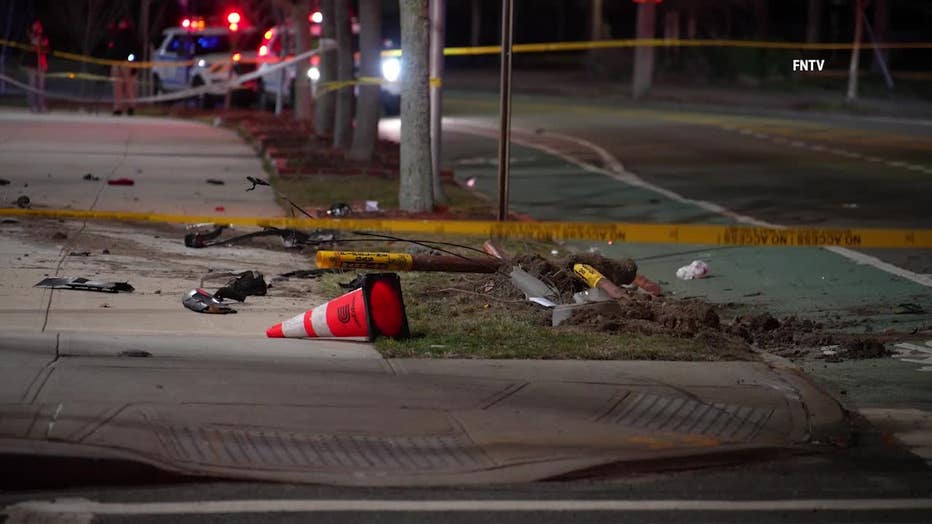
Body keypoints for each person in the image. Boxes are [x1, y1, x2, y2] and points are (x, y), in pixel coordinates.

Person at [107, 18, 140, 116]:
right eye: (120, 23)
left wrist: (132, 63)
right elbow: (112, 49)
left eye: (123, 23)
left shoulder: (131, 36)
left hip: (127, 63)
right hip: (117, 63)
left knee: (129, 86)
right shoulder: (115, 35)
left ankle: (131, 106)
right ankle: (118, 107)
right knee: (117, 87)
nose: (121, 25)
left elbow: (135, 50)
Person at [21, 19, 49, 113]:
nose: (37, 27)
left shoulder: (43, 37)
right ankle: (32, 106)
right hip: (31, 64)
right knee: (32, 86)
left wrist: (42, 44)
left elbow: (46, 50)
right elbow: (26, 49)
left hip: (41, 64)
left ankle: (42, 106)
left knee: (41, 87)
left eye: (39, 25)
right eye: (35, 25)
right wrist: (33, 43)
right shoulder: (28, 36)